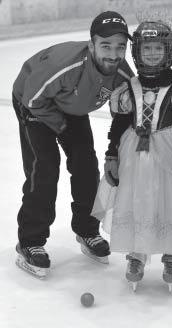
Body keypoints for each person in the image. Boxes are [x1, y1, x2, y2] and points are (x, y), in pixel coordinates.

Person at [91, 16, 172, 292]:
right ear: (137, 52)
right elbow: (119, 123)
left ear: (168, 51)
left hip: (169, 153)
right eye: (147, 49)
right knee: (136, 200)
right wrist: (112, 154)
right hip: (134, 154)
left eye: (159, 48)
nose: (153, 53)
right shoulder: (128, 88)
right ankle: (137, 252)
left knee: (169, 200)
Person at [12, 11, 134, 278]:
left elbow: (126, 113)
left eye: (120, 47)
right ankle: (30, 241)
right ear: (91, 45)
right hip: (34, 102)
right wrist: (63, 127)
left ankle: (86, 230)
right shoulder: (64, 66)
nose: (113, 54)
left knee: (87, 167)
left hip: (71, 107)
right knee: (44, 168)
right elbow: (34, 99)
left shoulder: (123, 73)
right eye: (105, 46)